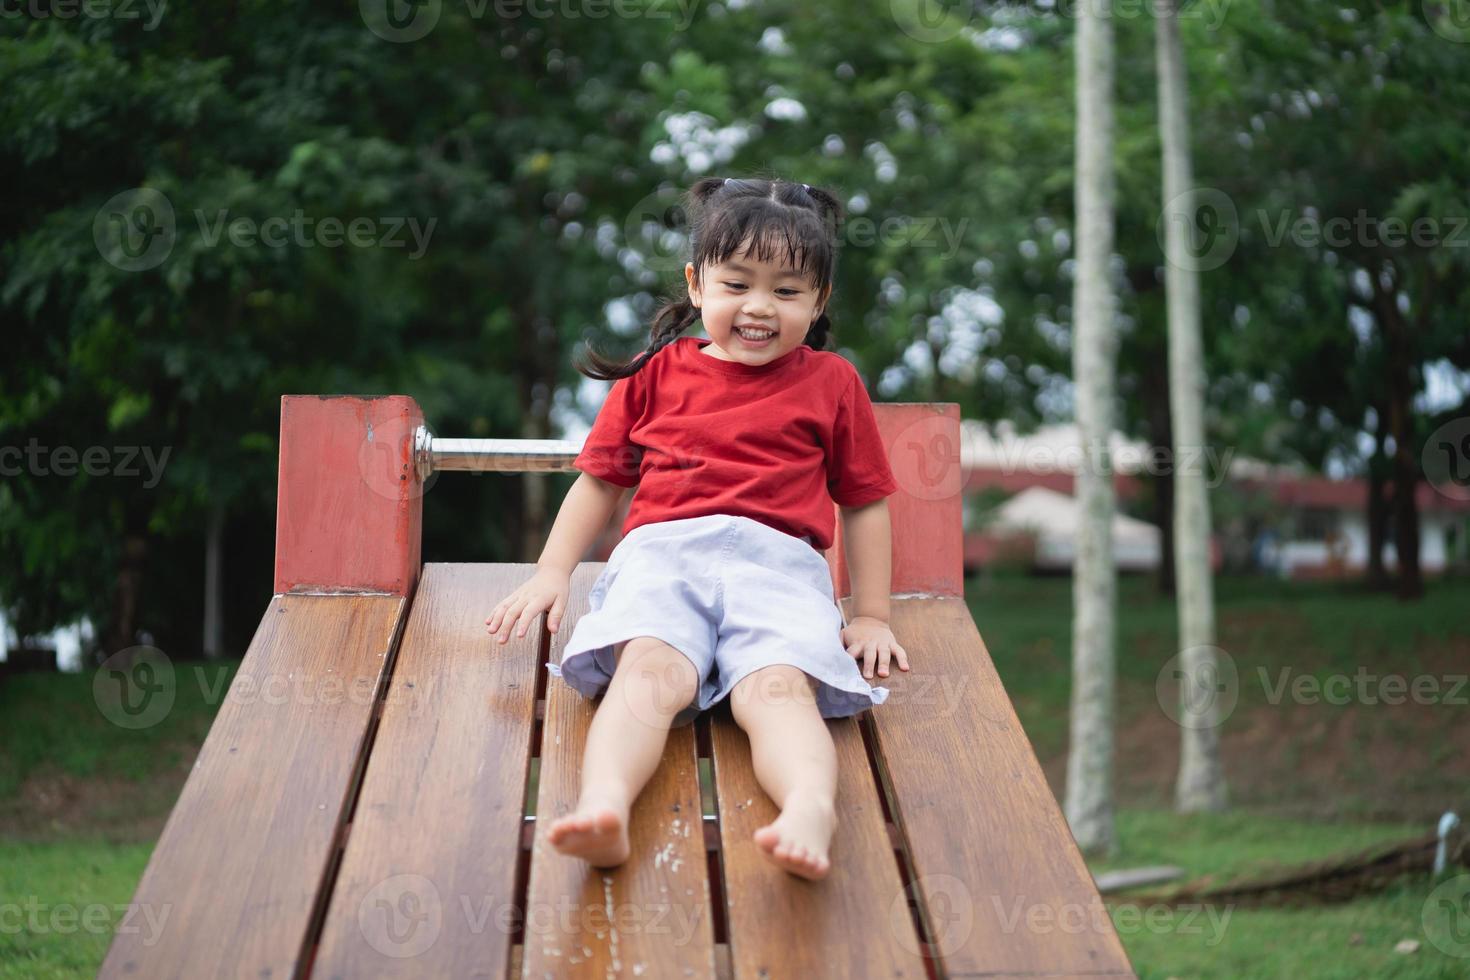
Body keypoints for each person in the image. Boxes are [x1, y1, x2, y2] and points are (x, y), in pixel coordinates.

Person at [484, 175, 909, 881]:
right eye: (737, 283)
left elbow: (863, 500)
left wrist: (870, 615)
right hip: (664, 559)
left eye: (786, 290)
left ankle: (809, 805)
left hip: (777, 569)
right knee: (650, 674)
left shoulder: (833, 382)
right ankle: (606, 808)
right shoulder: (655, 375)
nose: (758, 308)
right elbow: (601, 480)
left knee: (775, 690)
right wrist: (552, 571)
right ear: (696, 283)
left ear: (820, 300)